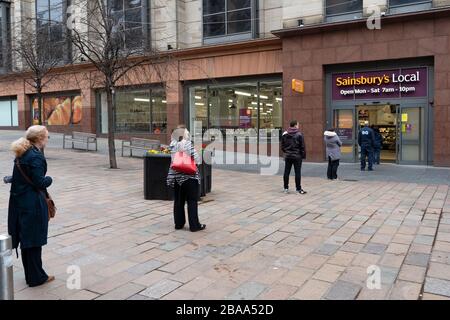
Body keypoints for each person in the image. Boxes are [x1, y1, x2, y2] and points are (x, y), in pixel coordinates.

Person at [7, 125, 54, 287]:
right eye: (47, 136)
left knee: (27, 239)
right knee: (33, 239)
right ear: (40, 138)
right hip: (32, 203)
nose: (48, 138)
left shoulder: (23, 152)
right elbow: (40, 182)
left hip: (19, 202)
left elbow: (20, 176)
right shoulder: (35, 156)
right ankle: (36, 278)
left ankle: (32, 274)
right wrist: (50, 180)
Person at [167, 125, 206, 232]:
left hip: (177, 178)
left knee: (178, 202)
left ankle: (178, 224)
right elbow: (197, 160)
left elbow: (173, 162)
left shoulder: (173, 145)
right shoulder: (187, 144)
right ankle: (194, 226)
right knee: (192, 201)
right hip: (190, 177)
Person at [281, 120, 307, 194]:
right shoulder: (299, 134)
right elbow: (302, 147)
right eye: (298, 124)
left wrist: (286, 152)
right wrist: (302, 156)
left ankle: (286, 188)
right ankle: (298, 189)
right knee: (297, 172)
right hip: (297, 156)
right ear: (295, 125)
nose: (298, 126)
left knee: (286, 172)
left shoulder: (285, 134)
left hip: (288, 156)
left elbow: (282, 146)